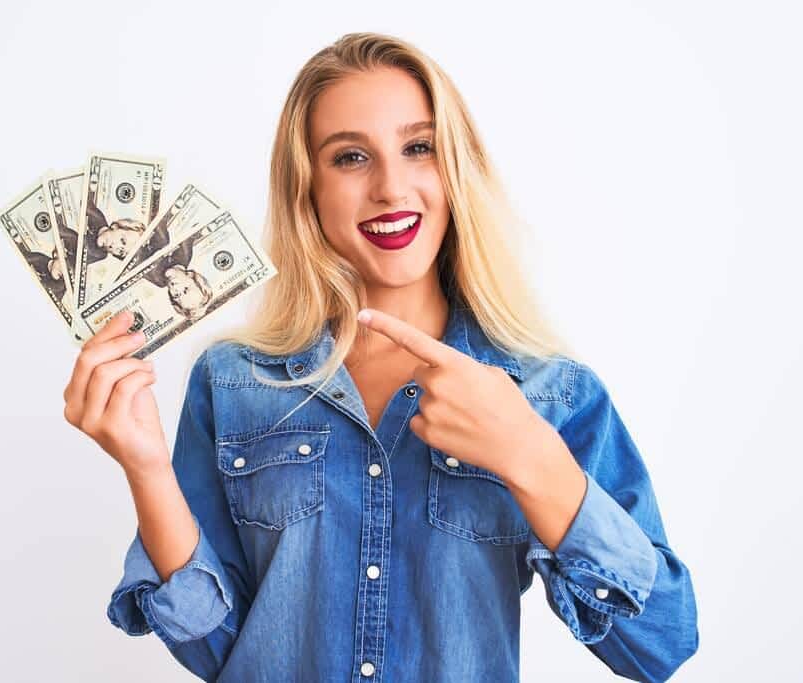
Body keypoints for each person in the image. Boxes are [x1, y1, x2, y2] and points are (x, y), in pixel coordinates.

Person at [62, 32, 699, 682]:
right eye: (351, 157)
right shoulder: (232, 382)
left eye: (418, 148)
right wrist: (147, 469)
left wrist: (528, 455)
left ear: (455, 169)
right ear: (307, 189)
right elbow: (217, 648)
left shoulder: (549, 392)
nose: (391, 187)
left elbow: (661, 641)